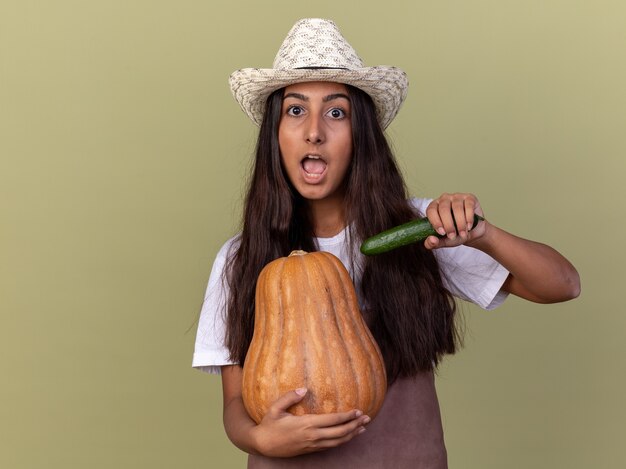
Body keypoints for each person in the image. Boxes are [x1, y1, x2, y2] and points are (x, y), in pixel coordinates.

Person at [192, 18, 580, 468]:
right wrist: (263, 441)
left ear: (362, 136)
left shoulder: (421, 229)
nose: (314, 130)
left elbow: (563, 284)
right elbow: (235, 405)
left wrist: (483, 235)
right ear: (275, 135)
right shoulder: (240, 259)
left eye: (336, 112)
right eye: (295, 110)